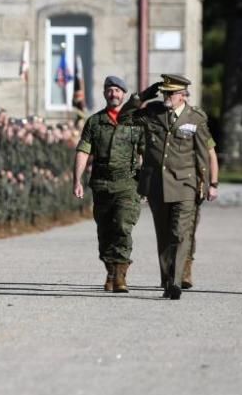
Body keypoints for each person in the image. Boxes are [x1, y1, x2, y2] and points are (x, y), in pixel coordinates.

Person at [119, 74, 217, 300]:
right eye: (164, 92)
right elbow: (124, 118)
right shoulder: (153, 112)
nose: (166, 96)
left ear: (182, 95)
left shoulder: (196, 118)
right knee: (163, 234)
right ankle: (167, 279)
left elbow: (202, 153)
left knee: (179, 233)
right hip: (156, 185)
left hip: (185, 184)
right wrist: (142, 96)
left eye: (171, 93)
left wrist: (209, 184)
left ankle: (175, 282)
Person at [74, 76, 144, 293]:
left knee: (123, 226)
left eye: (117, 90)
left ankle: (120, 276)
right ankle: (111, 271)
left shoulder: (135, 122)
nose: (113, 94)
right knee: (105, 231)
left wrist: (147, 183)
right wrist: (77, 180)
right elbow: (84, 151)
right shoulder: (95, 122)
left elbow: (145, 154)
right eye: (109, 90)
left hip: (128, 183)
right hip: (102, 183)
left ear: (124, 94)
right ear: (105, 94)